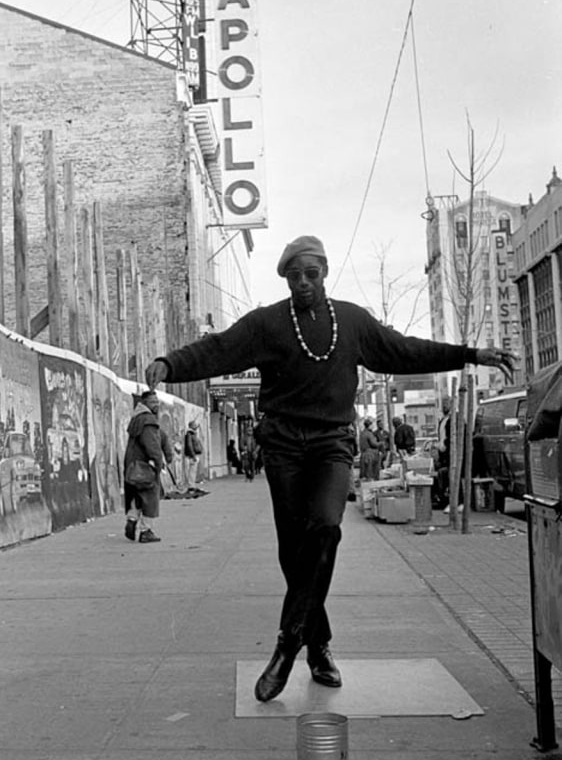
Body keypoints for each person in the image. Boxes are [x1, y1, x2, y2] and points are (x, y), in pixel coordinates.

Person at [145, 234, 515, 702]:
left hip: (331, 446)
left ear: (325, 271)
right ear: (286, 278)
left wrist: (469, 354)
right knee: (293, 552)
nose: (303, 283)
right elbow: (219, 348)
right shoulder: (268, 324)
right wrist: (169, 363)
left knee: (325, 528)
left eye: (311, 274)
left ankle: (287, 645)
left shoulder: (353, 322)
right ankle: (318, 645)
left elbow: (404, 351)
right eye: (294, 275)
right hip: (282, 448)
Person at [123, 390, 164, 543]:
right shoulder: (148, 420)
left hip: (132, 465)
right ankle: (146, 531)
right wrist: (158, 463)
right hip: (146, 465)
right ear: (145, 403)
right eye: (153, 402)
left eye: (157, 401)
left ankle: (132, 519)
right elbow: (152, 445)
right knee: (150, 497)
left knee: (136, 495)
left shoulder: (136, 419)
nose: (157, 404)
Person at [184, 420, 203, 490]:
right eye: (195, 425)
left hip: (196, 454)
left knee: (194, 470)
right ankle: (191, 485)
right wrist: (193, 455)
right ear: (191, 426)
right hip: (193, 454)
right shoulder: (190, 434)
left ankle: (192, 484)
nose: (196, 426)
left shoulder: (193, 434)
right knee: (192, 470)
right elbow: (189, 445)